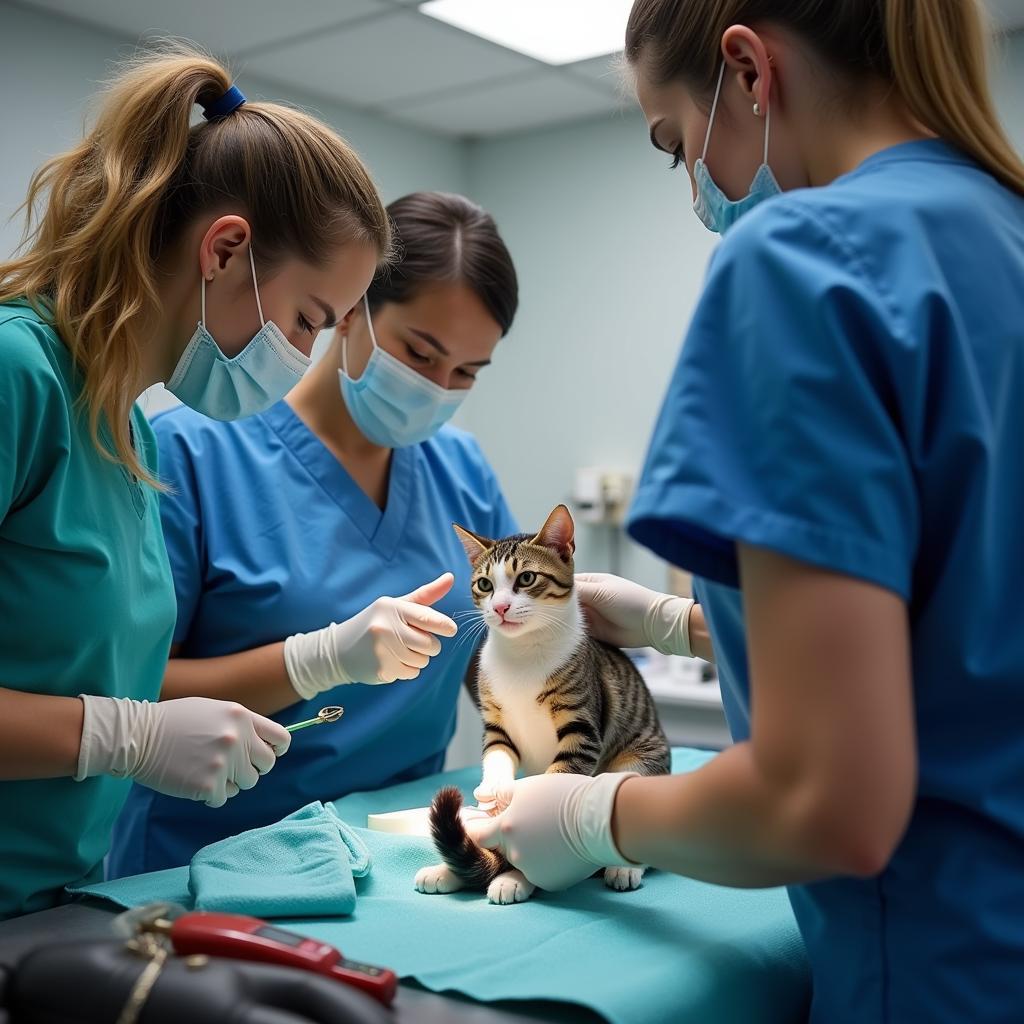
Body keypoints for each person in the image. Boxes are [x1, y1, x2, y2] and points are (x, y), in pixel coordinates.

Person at [467, 1, 1024, 1021]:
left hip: (947, 971)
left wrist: (597, 812)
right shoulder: (1000, 232)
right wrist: (685, 622)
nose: (697, 186)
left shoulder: (803, 257)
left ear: (749, 72)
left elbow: (827, 806)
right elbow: (971, 625)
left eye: (677, 144)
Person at [0, 48, 392, 920]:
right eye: (306, 320)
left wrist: (313, 662)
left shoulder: (125, 430)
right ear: (224, 249)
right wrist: (124, 736)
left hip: (49, 904)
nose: (301, 361)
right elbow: (111, 718)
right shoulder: (16, 375)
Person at [109, 191, 520, 875]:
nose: (439, 389)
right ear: (353, 306)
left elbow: (501, 659)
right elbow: (132, 695)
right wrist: (313, 659)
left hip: (401, 853)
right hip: (213, 862)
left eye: (467, 373)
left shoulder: (462, 470)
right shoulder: (191, 452)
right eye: (421, 354)